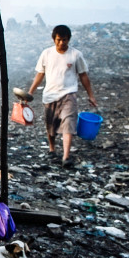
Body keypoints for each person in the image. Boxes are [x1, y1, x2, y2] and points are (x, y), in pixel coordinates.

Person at [26, 24, 97, 168]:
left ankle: (66, 157)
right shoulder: (46, 54)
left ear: (69, 39)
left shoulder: (75, 55)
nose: (61, 43)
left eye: (64, 40)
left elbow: (83, 76)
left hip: (68, 94)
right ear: (54, 39)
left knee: (68, 123)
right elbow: (40, 74)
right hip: (50, 95)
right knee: (51, 126)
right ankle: (52, 149)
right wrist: (30, 92)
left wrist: (91, 95)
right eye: (58, 40)